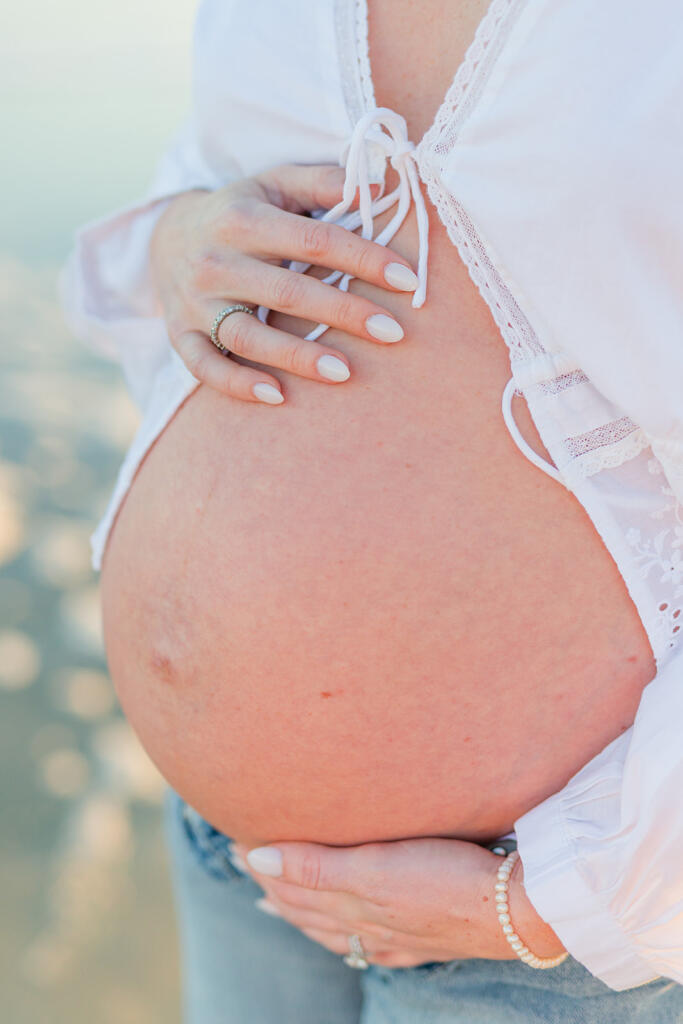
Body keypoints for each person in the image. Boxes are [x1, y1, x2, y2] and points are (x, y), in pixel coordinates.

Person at [60, 0, 683, 1020]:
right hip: (231, 857)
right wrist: (180, 241)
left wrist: (546, 907)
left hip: (549, 920)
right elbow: (208, 176)